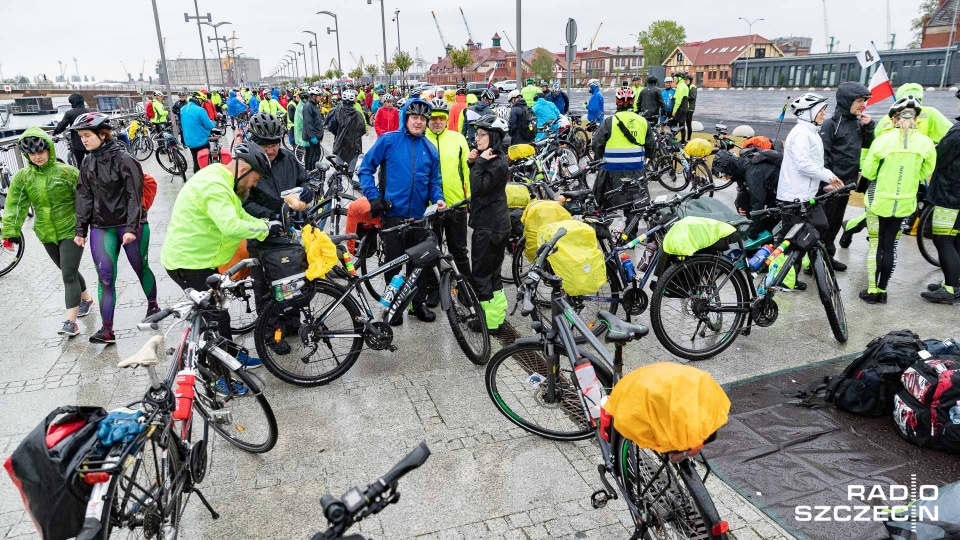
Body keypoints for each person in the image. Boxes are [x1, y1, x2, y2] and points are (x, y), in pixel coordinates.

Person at [161, 142, 277, 348]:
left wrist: (268, 225)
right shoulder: (214, 186)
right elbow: (230, 226)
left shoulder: (222, 179)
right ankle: (224, 365)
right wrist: (266, 229)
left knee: (214, 315)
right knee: (216, 318)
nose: (254, 185)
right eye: (256, 179)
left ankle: (219, 355)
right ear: (243, 169)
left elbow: (240, 215)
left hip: (199, 260)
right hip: (188, 263)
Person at [70, 113, 158, 344]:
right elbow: (84, 196)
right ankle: (107, 330)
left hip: (131, 224)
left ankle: (153, 307)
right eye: (81, 137)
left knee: (141, 268)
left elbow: (134, 196)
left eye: (87, 135)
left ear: (102, 134)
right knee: (105, 278)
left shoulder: (125, 159)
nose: (83, 140)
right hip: (101, 225)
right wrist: (80, 230)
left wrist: (131, 227)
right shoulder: (87, 162)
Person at [357, 98, 446, 325]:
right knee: (394, 264)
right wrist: (374, 197)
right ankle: (394, 306)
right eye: (414, 117)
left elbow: (434, 181)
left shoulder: (430, 149)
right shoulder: (389, 140)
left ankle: (418, 304)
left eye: (422, 119)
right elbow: (365, 169)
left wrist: (438, 199)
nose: (418, 122)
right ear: (405, 118)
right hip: (393, 215)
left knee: (419, 265)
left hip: (418, 216)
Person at [2, 128, 93, 337]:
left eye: (41, 151)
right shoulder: (23, 177)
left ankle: (71, 323)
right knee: (67, 269)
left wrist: (92, 224)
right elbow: (15, 204)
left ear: (49, 149)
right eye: (32, 153)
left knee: (68, 274)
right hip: (45, 232)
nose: (37, 156)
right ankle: (86, 299)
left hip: (71, 230)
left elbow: (87, 198)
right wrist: (11, 231)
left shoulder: (68, 172)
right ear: (26, 155)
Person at [840, 82, 956, 247]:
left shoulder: (900, 117)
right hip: (893, 177)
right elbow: (951, 135)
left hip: (896, 176)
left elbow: (872, 148)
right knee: (884, 212)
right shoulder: (927, 114)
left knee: (884, 211)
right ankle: (859, 230)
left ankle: (854, 228)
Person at [859, 97, 936, 304]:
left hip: (878, 200)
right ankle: (883, 291)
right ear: (916, 119)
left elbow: (868, 171)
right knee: (890, 245)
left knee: (876, 244)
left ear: (894, 119)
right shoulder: (926, 143)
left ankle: (872, 291)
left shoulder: (882, 141)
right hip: (905, 202)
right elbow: (926, 171)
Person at [776, 93, 843, 291]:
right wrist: (828, 177)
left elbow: (814, 165)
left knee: (818, 226)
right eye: (820, 110)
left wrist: (828, 179)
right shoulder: (801, 134)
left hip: (806, 195)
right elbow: (804, 165)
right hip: (794, 196)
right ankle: (784, 280)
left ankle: (805, 265)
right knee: (791, 239)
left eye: (824, 110)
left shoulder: (811, 132)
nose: (824, 113)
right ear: (808, 112)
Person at [818, 82, 874, 272]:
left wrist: (869, 126)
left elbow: (868, 144)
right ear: (846, 101)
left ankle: (828, 255)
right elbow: (823, 156)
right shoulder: (830, 124)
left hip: (847, 184)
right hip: (830, 187)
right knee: (824, 224)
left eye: (864, 101)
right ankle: (815, 261)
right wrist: (826, 182)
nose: (863, 105)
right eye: (859, 101)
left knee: (835, 223)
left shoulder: (858, 124)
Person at [424, 98, 472, 306]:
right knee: (431, 252)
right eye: (433, 118)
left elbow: (467, 170)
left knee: (459, 251)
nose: (437, 122)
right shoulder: (421, 139)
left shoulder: (457, 138)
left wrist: (470, 198)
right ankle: (433, 290)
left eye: (441, 118)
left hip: (455, 204)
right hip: (429, 206)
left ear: (446, 120)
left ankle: (466, 290)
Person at [466, 115, 510, 332]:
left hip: (488, 226)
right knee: (493, 274)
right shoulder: (496, 159)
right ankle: (497, 314)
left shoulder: (495, 163)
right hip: (496, 224)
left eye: (482, 134)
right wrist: (473, 163)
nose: (477, 138)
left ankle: (488, 322)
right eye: (477, 134)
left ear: (493, 137)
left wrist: (479, 163)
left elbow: (477, 189)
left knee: (482, 275)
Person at [922, 91, 960, 304]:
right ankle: (954, 281)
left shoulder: (958, 131)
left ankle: (951, 287)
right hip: (956, 196)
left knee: (943, 240)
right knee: (956, 240)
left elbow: (938, 157)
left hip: (950, 195)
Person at [591, 87, 653, 208]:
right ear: (633, 101)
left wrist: (599, 158)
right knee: (635, 208)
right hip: (636, 171)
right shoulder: (643, 121)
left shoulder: (609, 122)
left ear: (617, 101)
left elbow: (597, 144)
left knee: (603, 207)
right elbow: (651, 147)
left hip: (610, 172)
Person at [717, 136, 782, 240]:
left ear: (729, 168)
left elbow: (758, 204)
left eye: (725, 174)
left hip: (782, 193)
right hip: (770, 189)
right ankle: (756, 225)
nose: (725, 178)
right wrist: (739, 204)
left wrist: (752, 234)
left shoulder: (752, 172)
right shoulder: (741, 166)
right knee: (743, 202)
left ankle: (766, 237)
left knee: (767, 220)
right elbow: (741, 189)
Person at [328, 88, 368, 174]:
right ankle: (350, 176)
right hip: (353, 145)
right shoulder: (357, 114)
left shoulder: (337, 111)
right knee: (351, 170)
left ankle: (338, 180)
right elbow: (362, 129)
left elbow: (331, 126)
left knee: (338, 168)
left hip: (340, 144)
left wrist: (338, 134)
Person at [181, 91, 218, 174]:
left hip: (189, 140)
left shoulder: (183, 109)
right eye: (203, 102)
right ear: (200, 100)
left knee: (196, 161)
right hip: (201, 140)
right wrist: (214, 122)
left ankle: (196, 176)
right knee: (204, 162)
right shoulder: (200, 110)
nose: (203, 104)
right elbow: (209, 125)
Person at [52, 93, 89, 166]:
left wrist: (55, 132)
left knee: (80, 164)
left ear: (74, 102)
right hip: (90, 140)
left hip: (77, 142)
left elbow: (62, 125)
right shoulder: (89, 112)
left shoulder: (70, 113)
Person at [302, 87, 325, 170]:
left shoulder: (314, 105)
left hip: (316, 135)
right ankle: (312, 172)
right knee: (314, 155)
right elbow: (308, 123)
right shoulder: (308, 106)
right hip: (313, 136)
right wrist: (312, 137)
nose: (321, 97)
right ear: (314, 96)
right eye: (319, 95)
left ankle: (310, 171)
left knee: (313, 154)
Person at [671, 75, 690, 143]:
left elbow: (678, 100)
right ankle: (683, 140)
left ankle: (673, 140)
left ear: (679, 78)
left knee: (674, 124)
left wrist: (674, 111)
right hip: (684, 108)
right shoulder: (683, 85)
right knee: (682, 125)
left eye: (675, 79)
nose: (674, 80)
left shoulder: (681, 86)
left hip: (680, 109)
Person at [683, 74, 698, 143]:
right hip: (685, 108)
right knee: (683, 123)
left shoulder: (693, 87)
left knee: (688, 124)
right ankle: (683, 139)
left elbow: (693, 97)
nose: (685, 81)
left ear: (690, 80)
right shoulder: (686, 86)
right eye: (685, 80)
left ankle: (688, 139)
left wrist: (684, 97)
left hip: (690, 109)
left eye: (687, 80)